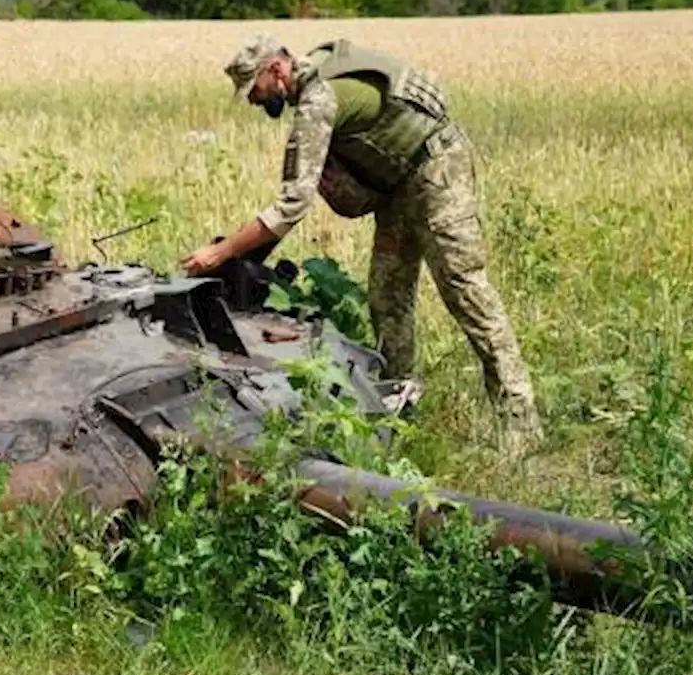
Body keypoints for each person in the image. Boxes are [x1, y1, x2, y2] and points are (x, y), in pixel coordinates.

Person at [181, 35, 543, 457]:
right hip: (397, 189)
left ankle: (520, 424)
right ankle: (399, 412)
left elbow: (291, 205)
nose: (254, 101)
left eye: (255, 90)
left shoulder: (318, 99)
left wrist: (221, 253)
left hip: (437, 172)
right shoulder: (314, 82)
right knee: (387, 300)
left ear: (276, 70)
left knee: (467, 293)